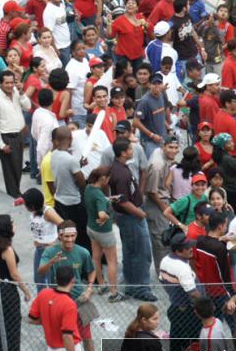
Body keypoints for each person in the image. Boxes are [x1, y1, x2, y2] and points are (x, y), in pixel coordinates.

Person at [28, 266, 98, 351]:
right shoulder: (69, 304)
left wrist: (48, 321)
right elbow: (67, 337)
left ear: (56, 279)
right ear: (73, 280)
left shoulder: (44, 293)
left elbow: (31, 319)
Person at [109, 138, 157, 301]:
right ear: (123, 153)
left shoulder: (119, 167)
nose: (133, 151)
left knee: (130, 252)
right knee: (141, 253)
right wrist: (140, 213)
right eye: (130, 149)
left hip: (129, 217)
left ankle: (131, 286)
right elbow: (123, 200)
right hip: (131, 217)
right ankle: (142, 289)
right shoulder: (121, 173)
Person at [0, 214, 31, 351]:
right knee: (13, 326)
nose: (14, 225)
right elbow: (14, 274)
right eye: (11, 223)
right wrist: (26, 291)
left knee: (2, 323)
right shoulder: (7, 249)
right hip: (7, 289)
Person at [159, 233, 203, 351]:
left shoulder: (166, 260)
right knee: (192, 339)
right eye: (187, 247)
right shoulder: (182, 267)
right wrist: (205, 303)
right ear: (178, 251)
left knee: (176, 336)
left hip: (176, 306)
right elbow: (193, 293)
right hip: (187, 310)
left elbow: (162, 280)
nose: (191, 249)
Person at [84, 167, 124, 302]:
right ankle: (114, 293)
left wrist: (108, 200)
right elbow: (101, 213)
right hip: (104, 232)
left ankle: (101, 285)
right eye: (108, 178)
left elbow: (97, 202)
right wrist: (106, 217)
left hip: (91, 228)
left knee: (96, 257)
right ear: (103, 179)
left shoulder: (89, 188)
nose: (109, 180)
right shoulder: (100, 196)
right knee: (112, 261)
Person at [0, 70, 30, 197]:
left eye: (12, 82)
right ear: (0, 83)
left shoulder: (16, 92)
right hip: (7, 137)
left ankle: (16, 191)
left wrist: (22, 93)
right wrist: (0, 145)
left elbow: (27, 107)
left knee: (17, 167)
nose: (10, 85)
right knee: (10, 169)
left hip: (19, 135)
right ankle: (13, 194)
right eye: (7, 83)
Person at [144, 136, 180, 273]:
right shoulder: (157, 165)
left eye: (176, 148)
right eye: (170, 147)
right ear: (163, 146)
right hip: (156, 204)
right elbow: (151, 192)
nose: (173, 151)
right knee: (160, 239)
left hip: (164, 199)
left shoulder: (162, 155)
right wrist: (165, 209)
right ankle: (163, 273)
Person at [50, 126, 89, 250]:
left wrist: (78, 165)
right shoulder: (70, 159)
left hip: (59, 199)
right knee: (81, 234)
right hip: (74, 202)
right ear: (71, 139)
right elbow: (81, 182)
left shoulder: (53, 154)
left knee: (65, 232)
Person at [133, 72, 167, 158]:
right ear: (149, 85)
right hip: (149, 141)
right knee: (151, 165)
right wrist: (151, 135)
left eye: (159, 83)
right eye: (154, 83)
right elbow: (135, 122)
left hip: (161, 138)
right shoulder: (145, 101)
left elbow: (161, 114)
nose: (157, 86)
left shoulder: (162, 95)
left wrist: (168, 127)